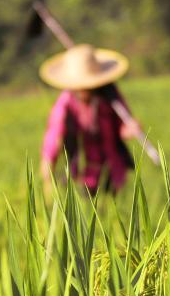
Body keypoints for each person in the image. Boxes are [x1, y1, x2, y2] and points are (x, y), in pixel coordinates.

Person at [39, 44, 143, 194]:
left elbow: (122, 126)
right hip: (82, 176)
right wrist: (48, 165)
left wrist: (131, 128)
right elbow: (54, 135)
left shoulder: (110, 96)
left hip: (113, 172)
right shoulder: (66, 103)